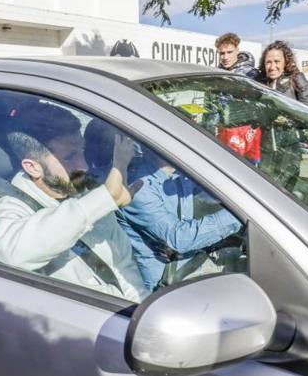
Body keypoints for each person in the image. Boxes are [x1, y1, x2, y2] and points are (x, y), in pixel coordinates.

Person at [0, 105, 150, 302]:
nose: (84, 165)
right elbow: (14, 253)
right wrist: (105, 198)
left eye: (83, 151)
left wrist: (139, 309)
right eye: (70, 157)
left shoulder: (86, 193)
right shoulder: (9, 208)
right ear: (33, 167)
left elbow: (124, 266)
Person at [84, 120, 242, 290]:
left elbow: (212, 195)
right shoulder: (138, 186)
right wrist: (242, 214)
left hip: (193, 262)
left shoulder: (179, 172)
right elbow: (178, 239)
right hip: (171, 282)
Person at [258, 40, 308, 110]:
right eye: (268, 62)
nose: (272, 67)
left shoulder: (297, 79)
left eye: (277, 61)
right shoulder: (259, 81)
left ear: (286, 62)